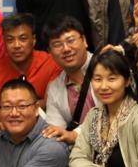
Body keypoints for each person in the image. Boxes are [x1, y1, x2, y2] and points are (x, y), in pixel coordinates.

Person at [0, 13, 62, 126]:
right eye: (10, 40)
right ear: (4, 42)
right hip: (4, 129)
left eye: (23, 39)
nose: (16, 45)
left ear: (33, 40)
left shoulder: (51, 63)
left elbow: (51, 103)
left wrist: (5, 112)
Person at [40, 15, 100, 145]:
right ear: (49, 52)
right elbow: (55, 130)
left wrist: (74, 135)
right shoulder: (55, 88)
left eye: (71, 40)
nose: (66, 49)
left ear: (84, 40)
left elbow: (113, 115)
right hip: (81, 151)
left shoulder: (107, 67)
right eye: (57, 44)